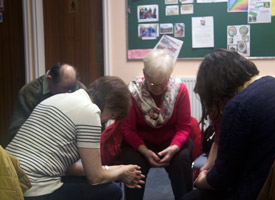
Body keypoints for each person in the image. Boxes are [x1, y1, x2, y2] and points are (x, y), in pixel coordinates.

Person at [182, 49, 275, 200]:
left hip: (273, 187)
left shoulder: (239, 106)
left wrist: (202, 179)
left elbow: (221, 180)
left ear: (216, 88)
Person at [5, 76, 145, 200]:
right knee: (112, 191)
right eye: (112, 115)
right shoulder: (90, 111)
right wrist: (122, 171)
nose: (106, 121)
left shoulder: (59, 98)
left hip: (9, 180)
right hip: (34, 190)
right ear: (109, 103)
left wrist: (116, 169)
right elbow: (95, 178)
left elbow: (69, 168)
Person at [121, 49, 194, 200]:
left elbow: (184, 127)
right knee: (132, 164)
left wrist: (173, 148)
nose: (158, 89)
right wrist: (145, 152)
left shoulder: (179, 90)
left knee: (182, 160)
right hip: (141, 142)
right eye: (153, 84)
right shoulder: (132, 92)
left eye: (163, 84)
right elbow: (128, 130)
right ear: (144, 74)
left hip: (171, 140)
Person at [7, 62, 86, 145]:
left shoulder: (77, 87)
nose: (67, 94)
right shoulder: (29, 92)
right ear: (49, 80)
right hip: (37, 147)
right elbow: (16, 132)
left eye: (70, 89)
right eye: (62, 90)